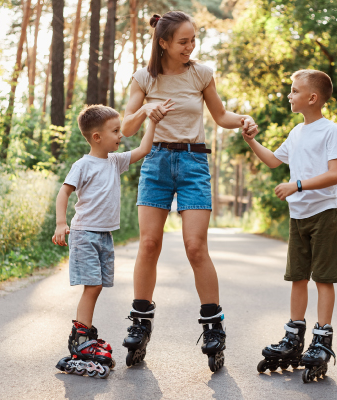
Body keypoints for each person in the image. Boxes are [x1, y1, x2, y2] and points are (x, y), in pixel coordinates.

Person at [119, 11, 258, 373]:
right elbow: (125, 126)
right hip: (156, 163)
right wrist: (147, 107)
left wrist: (243, 120)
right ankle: (140, 320)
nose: (190, 46)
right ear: (163, 42)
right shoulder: (144, 77)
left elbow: (221, 115)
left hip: (194, 163)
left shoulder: (201, 73)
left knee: (196, 247)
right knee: (149, 243)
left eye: (193, 40)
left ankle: (213, 327)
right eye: (183, 41)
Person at [245, 69, 337, 383]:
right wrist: (251, 141)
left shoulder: (330, 131)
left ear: (312, 98)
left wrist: (297, 185)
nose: (289, 95)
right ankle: (293, 338)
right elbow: (275, 161)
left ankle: (321, 339)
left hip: (324, 213)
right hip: (298, 216)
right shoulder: (296, 132)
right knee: (298, 277)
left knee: (324, 278)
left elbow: (335, 175)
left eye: (294, 90)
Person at [51, 104, 157, 378]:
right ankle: (81, 337)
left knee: (97, 286)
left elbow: (143, 150)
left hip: (105, 235)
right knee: (93, 285)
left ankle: (83, 334)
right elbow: (63, 193)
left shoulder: (115, 161)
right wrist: (61, 223)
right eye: (115, 131)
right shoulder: (83, 165)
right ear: (96, 136)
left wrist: (151, 120)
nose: (120, 135)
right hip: (85, 233)